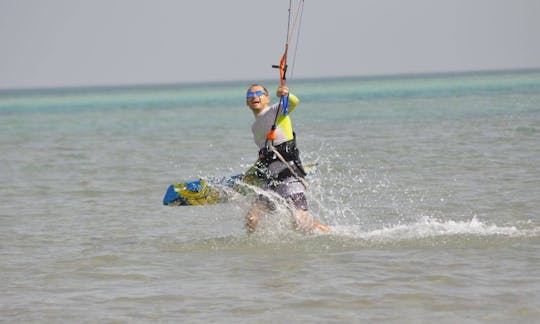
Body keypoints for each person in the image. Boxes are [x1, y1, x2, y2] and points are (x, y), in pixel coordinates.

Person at [242, 84, 331, 233]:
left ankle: (329, 232)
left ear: (267, 98)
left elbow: (293, 102)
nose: (254, 97)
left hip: (290, 174)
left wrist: (285, 94)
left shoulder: (275, 111)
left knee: (300, 221)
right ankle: (254, 252)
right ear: (247, 102)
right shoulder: (254, 126)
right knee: (252, 219)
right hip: (271, 180)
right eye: (250, 95)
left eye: (259, 93)